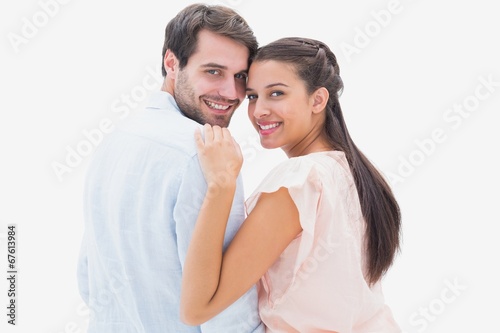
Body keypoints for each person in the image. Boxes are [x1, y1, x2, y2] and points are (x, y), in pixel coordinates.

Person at [180, 37, 402, 332]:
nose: (258, 111)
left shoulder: (300, 181)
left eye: (276, 93)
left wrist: (221, 185)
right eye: (252, 96)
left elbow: (197, 308)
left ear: (318, 100)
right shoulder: (358, 173)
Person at [76, 4, 264, 332]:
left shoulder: (116, 139)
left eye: (240, 77)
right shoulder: (207, 155)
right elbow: (228, 312)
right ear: (172, 63)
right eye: (214, 72)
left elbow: (89, 279)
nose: (232, 93)